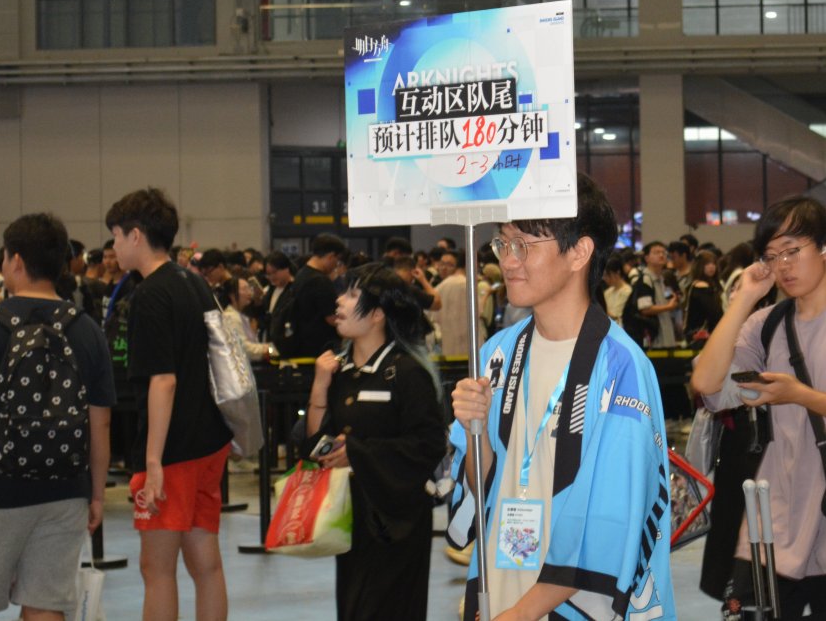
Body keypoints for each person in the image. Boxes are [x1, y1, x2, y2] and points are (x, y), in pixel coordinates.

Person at [448, 173, 676, 621]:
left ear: (579, 252)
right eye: (503, 243)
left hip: (569, 606)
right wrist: (475, 429)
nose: (508, 261)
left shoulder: (621, 370)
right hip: (502, 587)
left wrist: (522, 613)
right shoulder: (496, 353)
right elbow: (482, 486)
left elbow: (608, 523)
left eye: (523, 245)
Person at [691, 196, 826, 616]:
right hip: (777, 520)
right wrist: (743, 299)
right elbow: (707, 383)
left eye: (792, 250)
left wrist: (800, 395)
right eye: (772, 256)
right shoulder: (766, 323)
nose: (783, 266)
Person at [0, 214, 115, 621]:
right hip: (65, 489)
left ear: (16, 261)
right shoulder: (87, 330)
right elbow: (100, 422)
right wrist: (95, 494)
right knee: (45, 606)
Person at [106, 187, 233, 621]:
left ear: (136, 235)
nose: (114, 247)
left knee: (156, 569)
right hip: (209, 440)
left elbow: (163, 381)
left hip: (173, 450)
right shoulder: (193, 282)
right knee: (206, 565)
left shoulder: (150, 295)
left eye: (116, 236)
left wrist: (152, 462)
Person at [303, 265, 447, 620]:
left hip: (397, 523)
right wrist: (319, 388)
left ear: (378, 313)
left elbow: (428, 446)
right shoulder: (338, 372)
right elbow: (314, 446)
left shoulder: (407, 373)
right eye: (342, 292)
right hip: (350, 520)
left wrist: (356, 453)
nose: (339, 301)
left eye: (352, 295)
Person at [286, 234, 348, 358]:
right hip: (320, 348)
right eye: (337, 260)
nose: (336, 265)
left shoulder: (301, 274)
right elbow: (332, 318)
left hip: (302, 344)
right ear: (331, 256)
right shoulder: (320, 281)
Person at [683, 250, 724, 338]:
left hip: (699, 333)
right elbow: (714, 314)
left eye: (713, 263)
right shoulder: (701, 287)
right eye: (707, 263)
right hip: (702, 334)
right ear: (700, 266)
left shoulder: (695, 284)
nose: (711, 266)